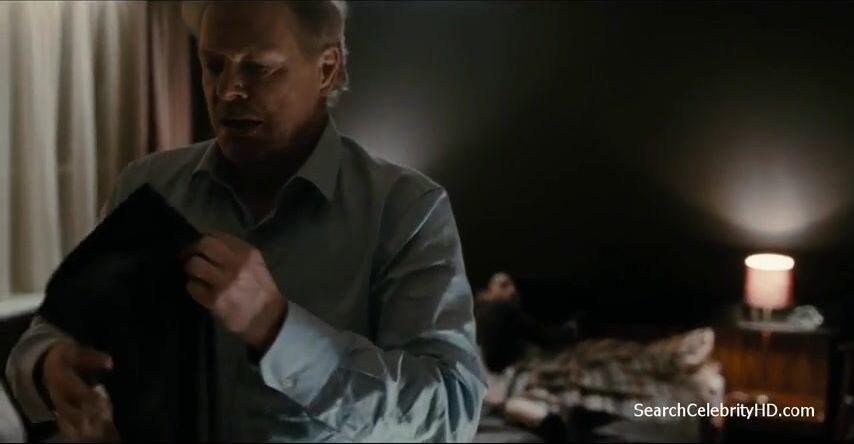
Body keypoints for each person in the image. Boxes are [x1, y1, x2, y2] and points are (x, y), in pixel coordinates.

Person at [4, 1, 486, 441]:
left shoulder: (406, 211)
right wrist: (49, 368)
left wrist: (276, 328)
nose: (227, 90)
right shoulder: (146, 186)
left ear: (325, 69)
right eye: (213, 65)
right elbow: (47, 334)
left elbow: (452, 411)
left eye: (259, 68)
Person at [475, 272, 577, 372]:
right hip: (500, 371)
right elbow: (543, 337)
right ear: (489, 292)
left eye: (512, 286)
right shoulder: (501, 309)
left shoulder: (477, 311)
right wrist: (570, 331)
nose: (512, 290)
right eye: (504, 286)